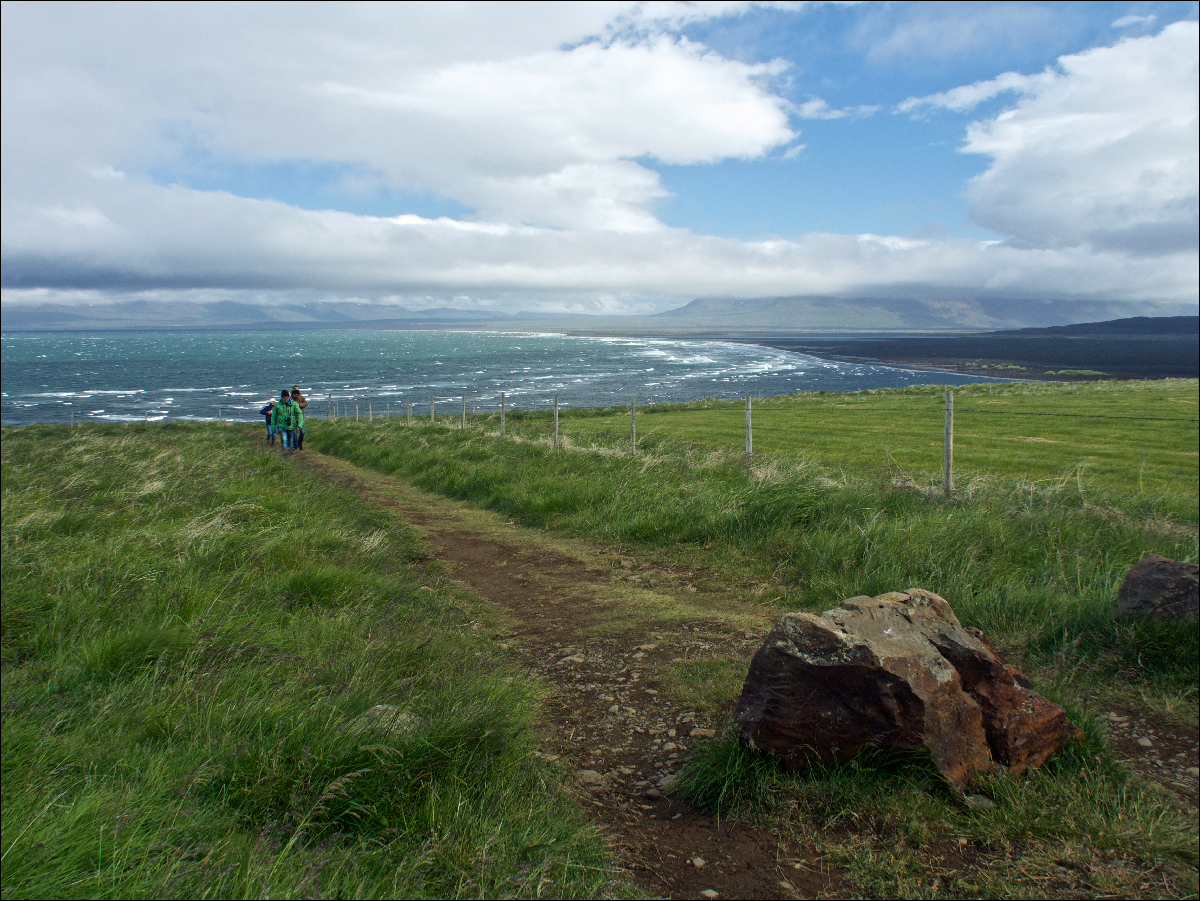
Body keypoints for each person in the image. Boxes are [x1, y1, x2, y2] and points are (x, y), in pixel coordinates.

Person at [271, 389, 298, 455]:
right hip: (281, 425)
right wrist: (273, 427)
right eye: (284, 397)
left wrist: (299, 422)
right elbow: (274, 416)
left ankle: (289, 451)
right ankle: (286, 454)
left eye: (287, 397)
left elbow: (299, 413)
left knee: (290, 440)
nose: (285, 398)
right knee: (284, 440)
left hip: (291, 425)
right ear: (281, 397)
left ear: (289, 397)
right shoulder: (277, 405)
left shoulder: (293, 404)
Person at [291, 385, 308, 450]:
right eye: (294, 393)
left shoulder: (302, 398)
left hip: (301, 417)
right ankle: (295, 446)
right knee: (294, 433)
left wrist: (299, 405)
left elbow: (306, 404)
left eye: (297, 393)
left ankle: (300, 442)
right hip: (293, 418)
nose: (296, 395)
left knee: (302, 432)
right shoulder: (290, 399)